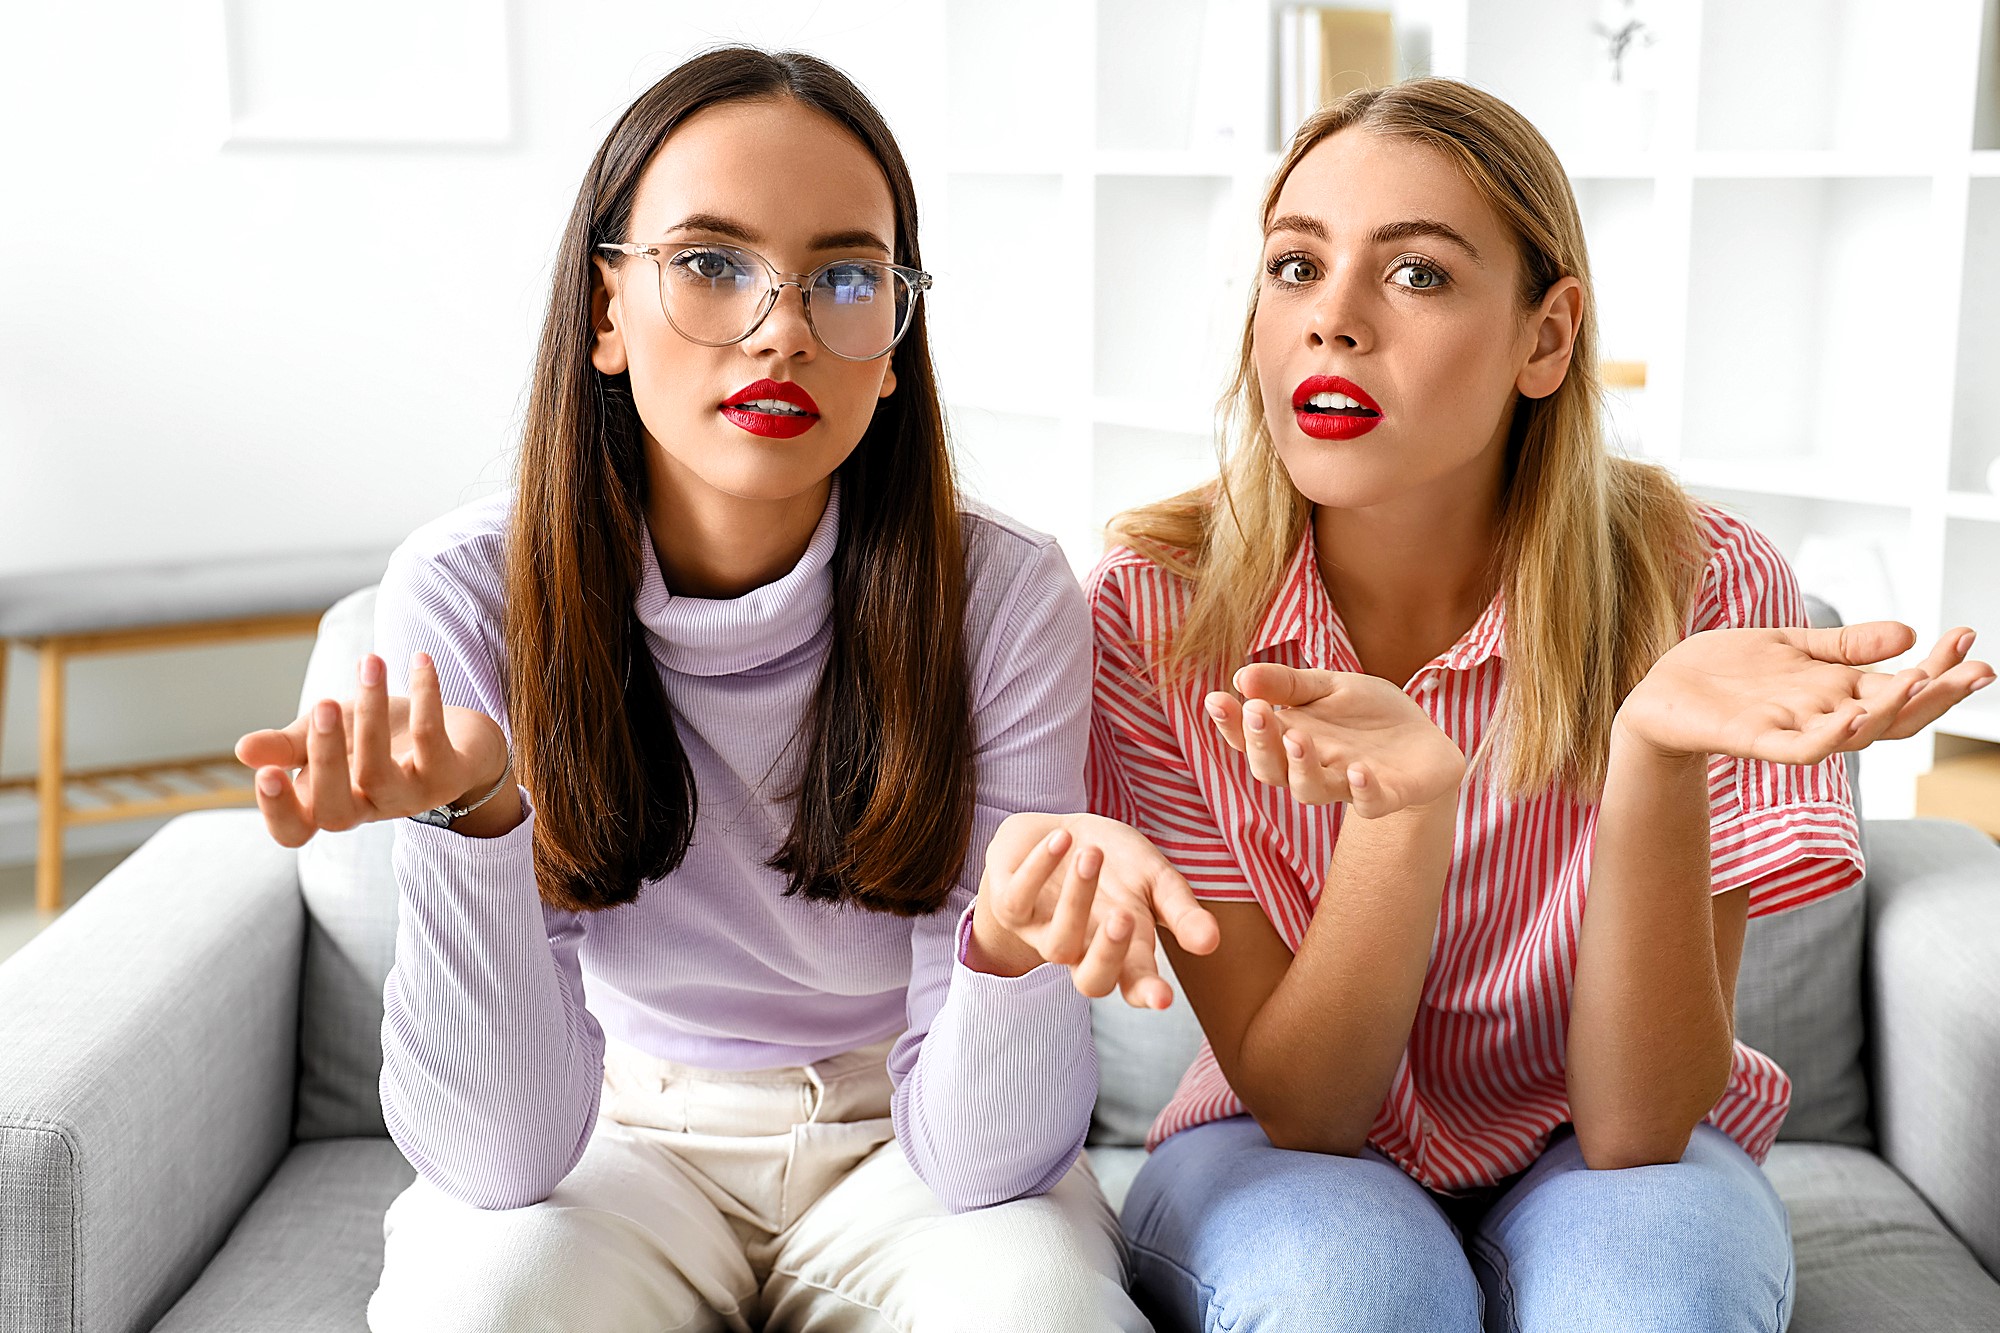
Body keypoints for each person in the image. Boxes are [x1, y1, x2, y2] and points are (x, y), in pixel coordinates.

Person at [236, 46, 1215, 1333]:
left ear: (895, 336)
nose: (782, 327)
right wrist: (475, 817)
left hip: (906, 1138)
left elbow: (985, 1162)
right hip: (615, 1129)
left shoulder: (1003, 592)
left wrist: (1006, 946)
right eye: (710, 264)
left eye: (845, 277)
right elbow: (496, 1160)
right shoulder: (470, 592)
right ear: (602, 312)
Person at [1087, 77, 1993, 1333]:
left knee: (1655, 1303)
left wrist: (1656, 750)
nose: (1331, 322)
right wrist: (1399, 823)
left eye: (1414, 276)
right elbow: (1309, 1108)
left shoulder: (1706, 583)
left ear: (1545, 337)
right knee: (1350, 1300)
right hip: (1282, 1139)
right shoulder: (1155, 606)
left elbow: (1636, 1125)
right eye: (1294, 265)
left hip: (1598, 1143)